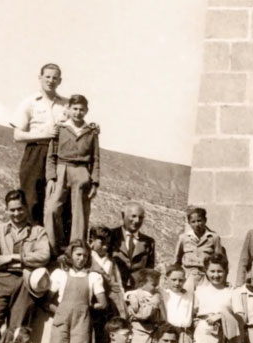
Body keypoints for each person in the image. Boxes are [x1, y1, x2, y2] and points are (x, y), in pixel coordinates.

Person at [0, 189, 50, 343]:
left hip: (25, 282)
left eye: (20, 209)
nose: (16, 213)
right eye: (12, 210)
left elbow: (44, 255)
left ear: (26, 208)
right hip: (2, 280)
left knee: (17, 330)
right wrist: (11, 259)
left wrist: (18, 258)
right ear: (6, 210)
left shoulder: (38, 232)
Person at [11, 63, 68, 226]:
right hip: (36, 152)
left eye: (55, 78)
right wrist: (44, 134)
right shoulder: (30, 102)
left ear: (60, 81)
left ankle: (56, 247)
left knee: (58, 199)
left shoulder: (66, 104)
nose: (51, 80)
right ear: (40, 78)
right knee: (31, 198)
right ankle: (31, 242)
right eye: (47, 77)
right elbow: (17, 135)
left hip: (60, 154)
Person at [43, 94, 100, 252]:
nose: (78, 112)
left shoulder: (91, 132)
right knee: (52, 210)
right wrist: (51, 178)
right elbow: (51, 156)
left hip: (82, 173)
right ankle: (54, 248)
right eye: (75, 108)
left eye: (82, 109)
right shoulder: (60, 129)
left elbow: (95, 159)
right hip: (62, 170)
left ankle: (76, 251)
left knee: (79, 215)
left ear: (86, 111)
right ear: (68, 109)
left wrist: (94, 182)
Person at [46, 239, 107, 343]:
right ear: (70, 255)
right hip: (61, 319)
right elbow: (46, 301)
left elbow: (103, 304)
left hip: (82, 321)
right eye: (78, 254)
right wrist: (60, 311)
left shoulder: (93, 277)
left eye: (85, 256)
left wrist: (86, 308)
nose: (81, 259)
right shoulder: (60, 274)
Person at [192, 254, 241, 343]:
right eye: (212, 271)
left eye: (220, 271)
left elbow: (239, 316)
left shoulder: (232, 291)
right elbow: (192, 312)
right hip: (203, 335)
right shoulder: (200, 291)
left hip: (224, 337)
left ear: (226, 271)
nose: (216, 274)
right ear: (206, 271)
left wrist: (221, 316)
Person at [89, 225, 126, 343]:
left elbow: (118, 284)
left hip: (107, 308)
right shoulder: (87, 259)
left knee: (103, 338)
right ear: (91, 241)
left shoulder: (111, 262)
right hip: (91, 304)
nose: (105, 246)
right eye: (102, 242)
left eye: (108, 243)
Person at [174, 207, 224, 291]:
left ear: (205, 220)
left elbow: (220, 261)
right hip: (187, 276)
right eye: (193, 222)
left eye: (199, 220)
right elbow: (177, 260)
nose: (196, 224)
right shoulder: (184, 238)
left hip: (206, 277)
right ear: (189, 223)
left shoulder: (214, 238)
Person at [109, 202, 156, 290]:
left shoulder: (149, 242)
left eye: (141, 217)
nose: (137, 220)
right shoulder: (111, 236)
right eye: (133, 216)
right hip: (114, 288)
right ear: (123, 215)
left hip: (137, 290)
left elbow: (149, 270)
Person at [159, 265, 194, 343]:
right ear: (166, 279)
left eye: (180, 280)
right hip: (169, 332)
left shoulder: (189, 295)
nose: (177, 283)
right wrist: (130, 295)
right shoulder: (163, 294)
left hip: (184, 333)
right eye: (173, 280)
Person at [124, 268, 162, 343]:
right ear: (142, 284)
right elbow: (144, 315)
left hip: (153, 332)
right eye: (153, 285)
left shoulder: (156, 295)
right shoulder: (136, 297)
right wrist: (152, 303)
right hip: (139, 331)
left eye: (158, 284)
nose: (157, 287)